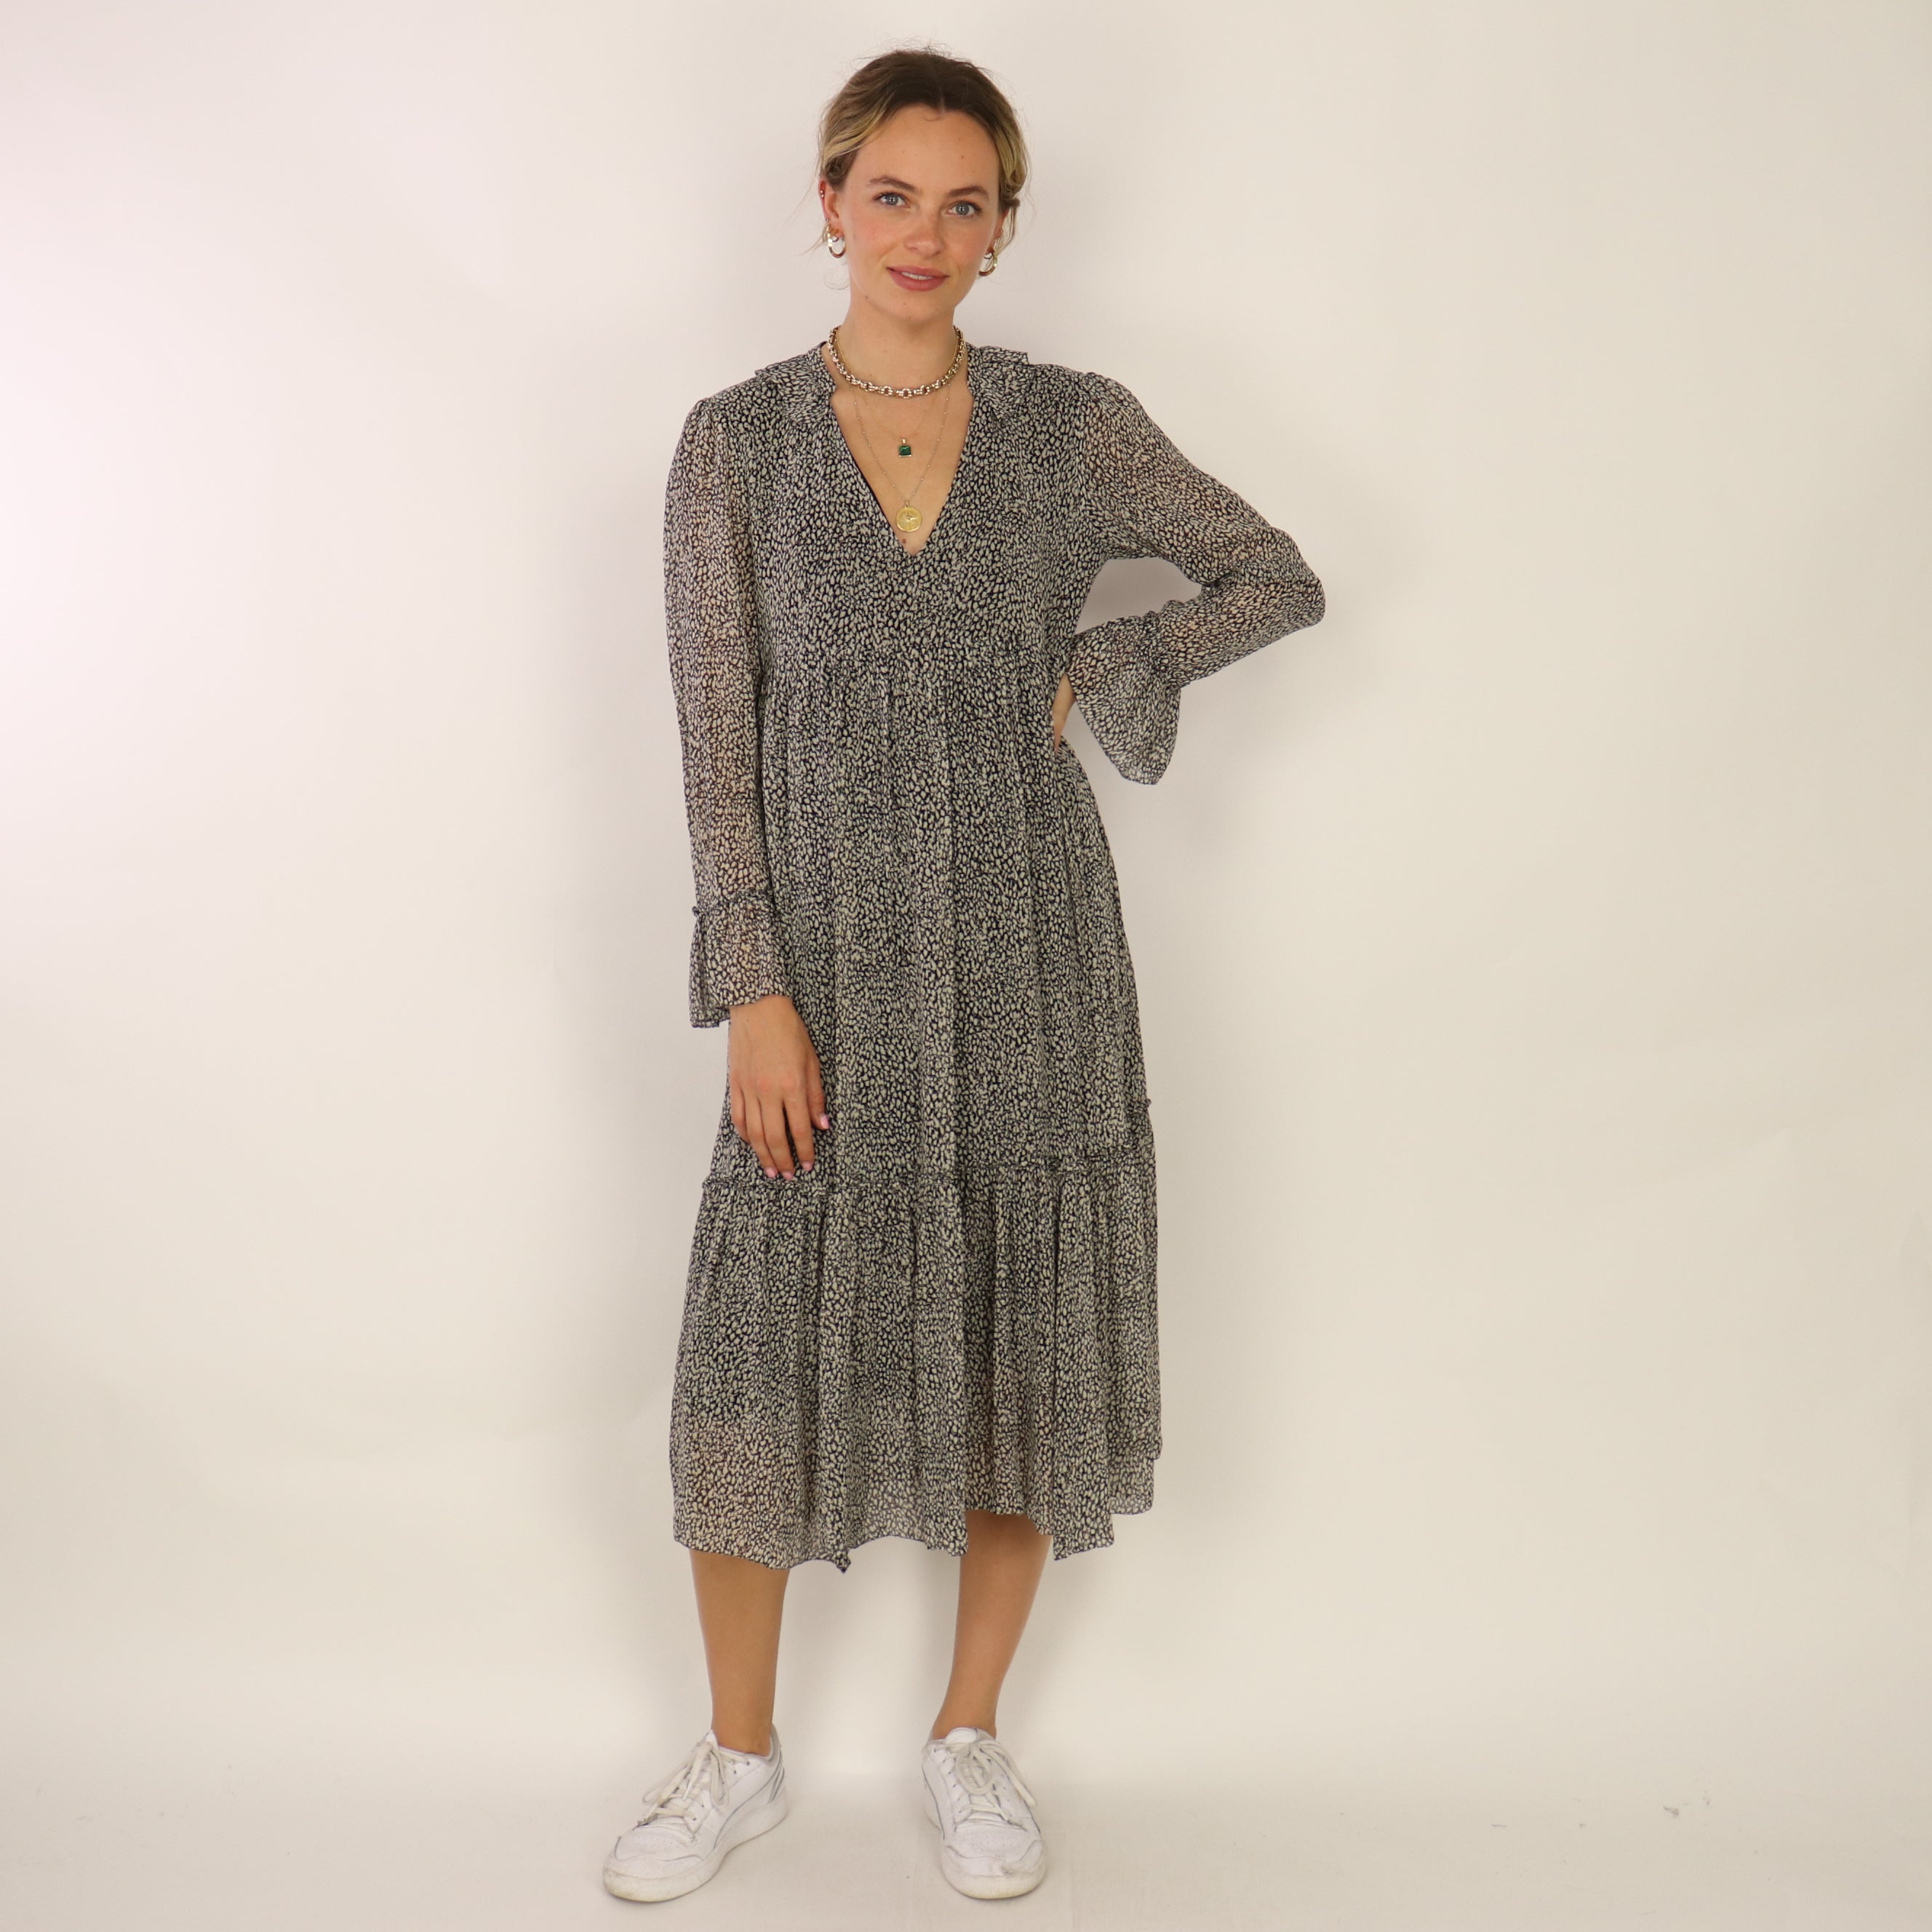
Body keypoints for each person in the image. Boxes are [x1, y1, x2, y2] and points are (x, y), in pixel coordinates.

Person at [603, 45, 1324, 1906]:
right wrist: (751, 983)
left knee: (1019, 1327)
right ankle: (737, 1752)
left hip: (1031, 941)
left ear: (1003, 230)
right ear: (830, 202)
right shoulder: (737, 442)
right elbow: (713, 740)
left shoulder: (1073, 426)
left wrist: (1111, 665)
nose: (923, 234)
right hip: (825, 960)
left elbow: (1271, 572)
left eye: (964, 203)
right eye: (891, 195)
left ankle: (965, 1731)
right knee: (755, 1344)